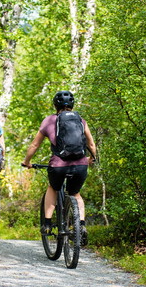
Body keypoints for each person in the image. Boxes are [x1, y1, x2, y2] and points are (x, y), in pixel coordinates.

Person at [21, 90, 97, 244]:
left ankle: (47, 224)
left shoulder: (49, 120)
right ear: (72, 105)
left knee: (53, 188)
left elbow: (35, 145)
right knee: (75, 193)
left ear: (55, 105)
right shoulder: (81, 121)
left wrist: (27, 161)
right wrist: (92, 158)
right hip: (80, 165)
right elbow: (91, 144)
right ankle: (81, 225)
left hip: (58, 166)